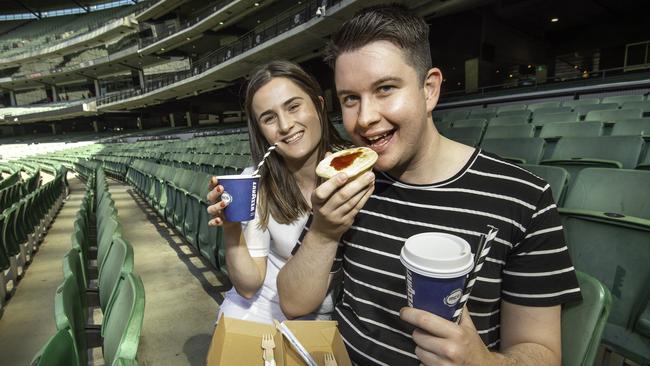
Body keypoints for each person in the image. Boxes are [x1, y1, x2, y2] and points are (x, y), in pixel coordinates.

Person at [277, 4, 581, 366]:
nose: (365, 118)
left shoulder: (523, 197)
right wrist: (324, 233)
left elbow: (543, 352)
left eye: (385, 88)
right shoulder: (349, 184)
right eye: (350, 99)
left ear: (429, 89)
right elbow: (293, 301)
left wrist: (483, 363)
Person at [206, 60, 348, 324]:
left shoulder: (356, 169)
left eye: (294, 106)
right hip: (261, 309)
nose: (285, 125)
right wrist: (231, 228)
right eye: (269, 118)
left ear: (319, 104)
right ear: (261, 131)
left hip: (328, 318)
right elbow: (248, 287)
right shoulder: (256, 181)